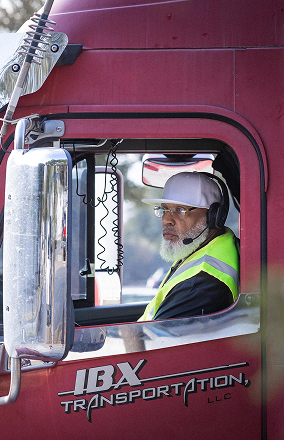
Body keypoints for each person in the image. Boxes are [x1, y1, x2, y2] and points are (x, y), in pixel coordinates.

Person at [138, 171, 239, 321]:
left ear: (213, 216)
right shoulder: (199, 250)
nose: (166, 219)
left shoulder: (200, 283)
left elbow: (159, 343)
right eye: (164, 209)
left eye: (180, 210)